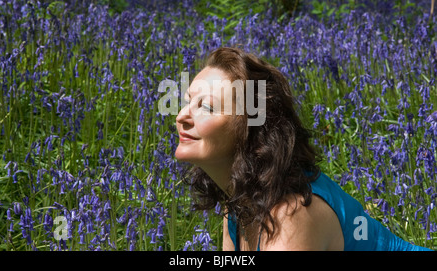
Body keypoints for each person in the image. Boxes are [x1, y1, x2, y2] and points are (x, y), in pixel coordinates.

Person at [174, 47, 432, 251]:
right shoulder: (238, 204)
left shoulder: (290, 217)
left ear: (249, 130)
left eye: (206, 107)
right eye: (187, 102)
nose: (182, 116)